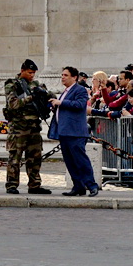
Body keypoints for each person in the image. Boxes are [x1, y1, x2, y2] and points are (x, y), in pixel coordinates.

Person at [49, 66, 100, 196]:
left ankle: (91, 185)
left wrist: (61, 103)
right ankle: (78, 186)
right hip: (64, 131)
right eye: (62, 75)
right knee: (70, 162)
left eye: (66, 75)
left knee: (80, 160)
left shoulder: (80, 90)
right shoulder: (65, 91)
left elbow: (80, 105)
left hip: (75, 132)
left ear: (74, 77)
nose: (63, 77)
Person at [3, 59, 52, 195]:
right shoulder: (12, 84)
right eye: (30, 72)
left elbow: (49, 96)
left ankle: (34, 185)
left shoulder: (36, 84)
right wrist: (31, 98)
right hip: (18, 128)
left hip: (34, 127)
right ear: (22, 70)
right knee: (15, 158)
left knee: (35, 158)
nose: (32, 75)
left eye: (34, 73)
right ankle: (12, 185)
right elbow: (13, 104)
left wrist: (45, 95)